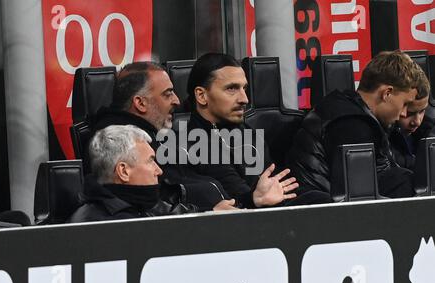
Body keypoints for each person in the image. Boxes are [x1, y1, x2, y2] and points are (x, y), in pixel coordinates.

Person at [185, 53, 331, 208]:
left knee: (321, 200)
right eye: (232, 89)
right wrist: (255, 199)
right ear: (201, 95)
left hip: (272, 217)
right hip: (241, 225)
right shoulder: (193, 143)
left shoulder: (245, 132)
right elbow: (236, 196)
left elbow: (281, 187)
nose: (244, 99)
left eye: (244, 88)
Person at [91, 62, 235, 211]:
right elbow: (151, 204)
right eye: (168, 94)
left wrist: (250, 198)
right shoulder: (119, 142)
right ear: (140, 103)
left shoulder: (161, 133)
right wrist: (207, 214)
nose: (177, 101)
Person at [287, 50, 426, 199]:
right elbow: (381, 185)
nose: (404, 113)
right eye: (404, 104)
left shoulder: (352, 111)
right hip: (320, 213)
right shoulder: (352, 125)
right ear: (387, 93)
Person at [69, 125, 235, 223]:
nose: (159, 170)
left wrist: (211, 214)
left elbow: (174, 215)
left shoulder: (141, 204)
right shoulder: (93, 227)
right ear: (124, 171)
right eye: (150, 161)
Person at [389, 68, 432, 170]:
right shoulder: (381, 140)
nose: (417, 121)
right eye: (409, 113)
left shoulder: (429, 130)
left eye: (422, 111)